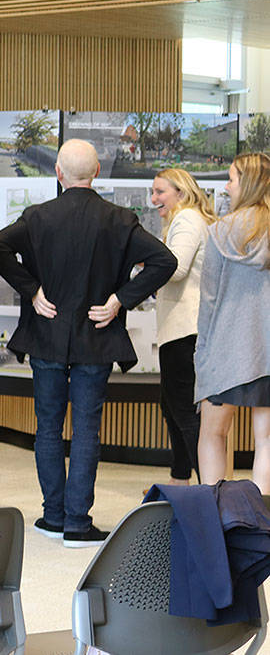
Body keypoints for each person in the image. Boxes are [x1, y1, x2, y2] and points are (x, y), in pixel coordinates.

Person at [0, 139, 175, 546]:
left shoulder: (37, 217)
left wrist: (31, 290)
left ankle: (53, 517)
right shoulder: (120, 219)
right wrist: (120, 299)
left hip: (47, 338)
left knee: (48, 430)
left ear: (58, 173)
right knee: (87, 430)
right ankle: (78, 523)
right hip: (97, 338)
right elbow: (165, 261)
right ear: (96, 174)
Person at [195, 153, 270, 493]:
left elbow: (209, 301)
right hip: (267, 354)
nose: (227, 187)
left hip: (225, 351)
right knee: (266, 440)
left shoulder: (219, 233)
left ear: (249, 184)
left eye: (231, 179)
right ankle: (263, 526)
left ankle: (214, 517)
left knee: (213, 435)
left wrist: (203, 355)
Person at [150, 168, 216, 484]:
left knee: (184, 413)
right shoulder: (188, 219)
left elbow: (174, 269)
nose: (154, 199)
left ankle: (209, 491)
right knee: (173, 408)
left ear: (181, 191)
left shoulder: (187, 219)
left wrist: (143, 261)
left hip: (184, 331)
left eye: (160, 191)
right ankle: (181, 482)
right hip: (181, 331)